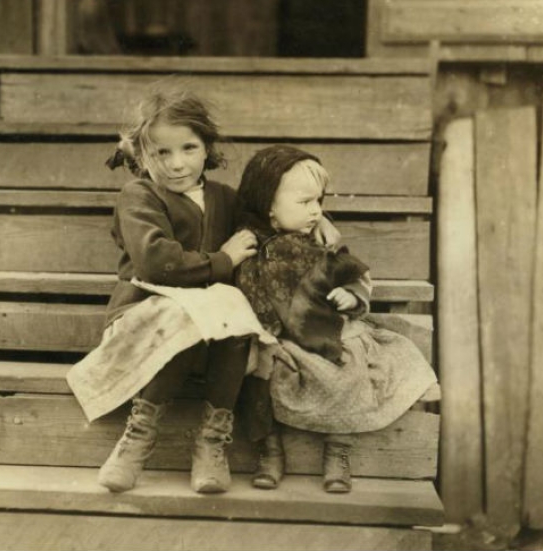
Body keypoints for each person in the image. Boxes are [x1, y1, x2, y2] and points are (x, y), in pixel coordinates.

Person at [67, 87, 263, 495]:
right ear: (141, 156)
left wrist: (321, 223)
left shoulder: (225, 198)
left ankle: (211, 441)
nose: (177, 165)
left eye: (189, 148)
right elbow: (157, 263)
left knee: (235, 318)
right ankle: (138, 436)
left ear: (208, 147)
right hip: (145, 319)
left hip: (212, 331)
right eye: (162, 153)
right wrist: (222, 261)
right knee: (192, 313)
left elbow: (265, 228)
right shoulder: (139, 196)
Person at [234, 145, 438, 494]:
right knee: (255, 371)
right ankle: (269, 450)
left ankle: (338, 449)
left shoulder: (320, 244)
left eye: (320, 202)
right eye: (304, 203)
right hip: (277, 338)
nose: (315, 211)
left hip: (327, 334)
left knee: (349, 366)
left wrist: (352, 295)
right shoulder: (250, 245)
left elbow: (352, 274)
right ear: (268, 205)